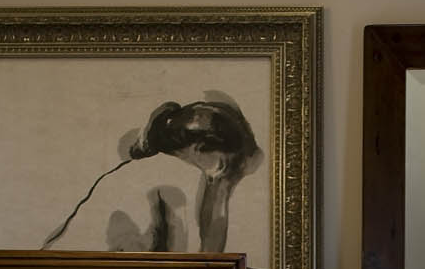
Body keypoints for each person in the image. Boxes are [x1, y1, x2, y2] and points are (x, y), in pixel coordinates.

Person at [43, 93, 264, 253]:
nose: (223, 173)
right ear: (199, 149)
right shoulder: (174, 180)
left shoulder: (151, 169)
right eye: (224, 163)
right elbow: (188, 267)